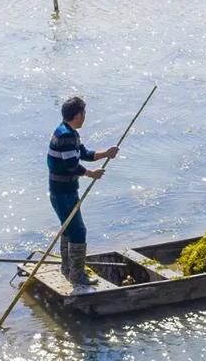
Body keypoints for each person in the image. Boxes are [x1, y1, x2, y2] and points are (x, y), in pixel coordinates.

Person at [47, 97, 119, 285]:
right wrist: (90, 174)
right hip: (63, 192)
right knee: (78, 231)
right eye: (84, 113)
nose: (85, 117)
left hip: (65, 190)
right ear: (77, 115)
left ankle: (68, 267)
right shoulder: (65, 135)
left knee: (68, 227)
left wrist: (106, 153)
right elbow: (71, 164)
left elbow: (84, 154)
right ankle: (77, 275)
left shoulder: (69, 132)